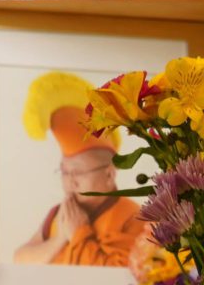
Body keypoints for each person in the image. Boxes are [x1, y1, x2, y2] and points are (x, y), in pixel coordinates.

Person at [14, 73, 147, 268]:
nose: (69, 181)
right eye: (64, 172)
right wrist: (59, 239)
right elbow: (20, 259)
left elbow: (117, 278)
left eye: (77, 172)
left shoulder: (133, 216)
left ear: (109, 174)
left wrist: (79, 233)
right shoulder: (62, 213)